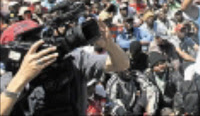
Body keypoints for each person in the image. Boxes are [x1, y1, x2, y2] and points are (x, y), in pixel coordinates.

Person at [0, 18, 130, 116]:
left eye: (38, 38)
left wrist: (110, 45)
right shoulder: (10, 79)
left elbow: (122, 64)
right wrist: (22, 77)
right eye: (29, 42)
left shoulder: (74, 60)